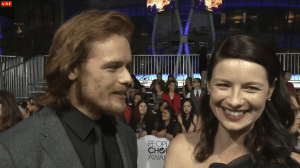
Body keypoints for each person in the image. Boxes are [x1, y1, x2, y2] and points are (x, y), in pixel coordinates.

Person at [0, 10, 138, 168]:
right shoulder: (14, 149)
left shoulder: (126, 137)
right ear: (72, 69)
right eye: (113, 67)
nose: (127, 78)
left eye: (128, 67)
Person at [164, 35, 300, 168]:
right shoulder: (181, 150)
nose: (234, 101)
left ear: (270, 90)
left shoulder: (289, 163)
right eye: (224, 85)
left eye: (251, 88)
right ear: (209, 84)